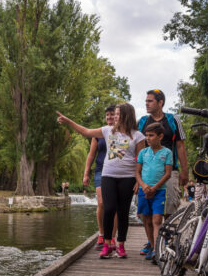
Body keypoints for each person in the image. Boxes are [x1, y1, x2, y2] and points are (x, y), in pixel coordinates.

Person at [57, 103, 145, 259]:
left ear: (126, 115)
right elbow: (85, 131)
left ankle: (121, 245)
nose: (115, 116)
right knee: (109, 208)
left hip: (128, 178)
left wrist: (139, 181)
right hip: (108, 176)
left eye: (118, 114)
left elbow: (140, 161)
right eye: (114, 114)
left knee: (123, 212)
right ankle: (107, 244)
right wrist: (68, 121)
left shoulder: (138, 136)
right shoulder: (107, 131)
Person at [138, 89, 189, 219]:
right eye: (146, 101)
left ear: (160, 102)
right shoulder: (142, 122)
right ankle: (152, 240)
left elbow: (180, 146)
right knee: (146, 212)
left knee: (170, 207)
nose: (147, 104)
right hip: (147, 173)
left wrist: (185, 171)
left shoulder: (173, 119)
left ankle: (166, 239)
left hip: (170, 171)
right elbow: (137, 149)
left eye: (150, 101)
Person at [135, 123, 173, 261]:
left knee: (157, 219)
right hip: (143, 190)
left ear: (160, 136)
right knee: (146, 219)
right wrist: (144, 186)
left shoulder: (167, 152)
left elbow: (168, 174)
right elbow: (137, 173)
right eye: (146, 135)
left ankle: (158, 250)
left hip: (159, 191)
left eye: (151, 135)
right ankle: (151, 245)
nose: (148, 138)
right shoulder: (143, 153)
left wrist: (154, 188)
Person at [83, 105, 117, 250]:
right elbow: (91, 155)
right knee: (102, 203)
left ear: (117, 116)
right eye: (107, 115)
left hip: (116, 171)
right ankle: (102, 234)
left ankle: (113, 238)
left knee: (114, 205)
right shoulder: (99, 133)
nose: (109, 117)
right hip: (100, 170)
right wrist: (86, 173)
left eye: (112, 114)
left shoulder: (121, 133)